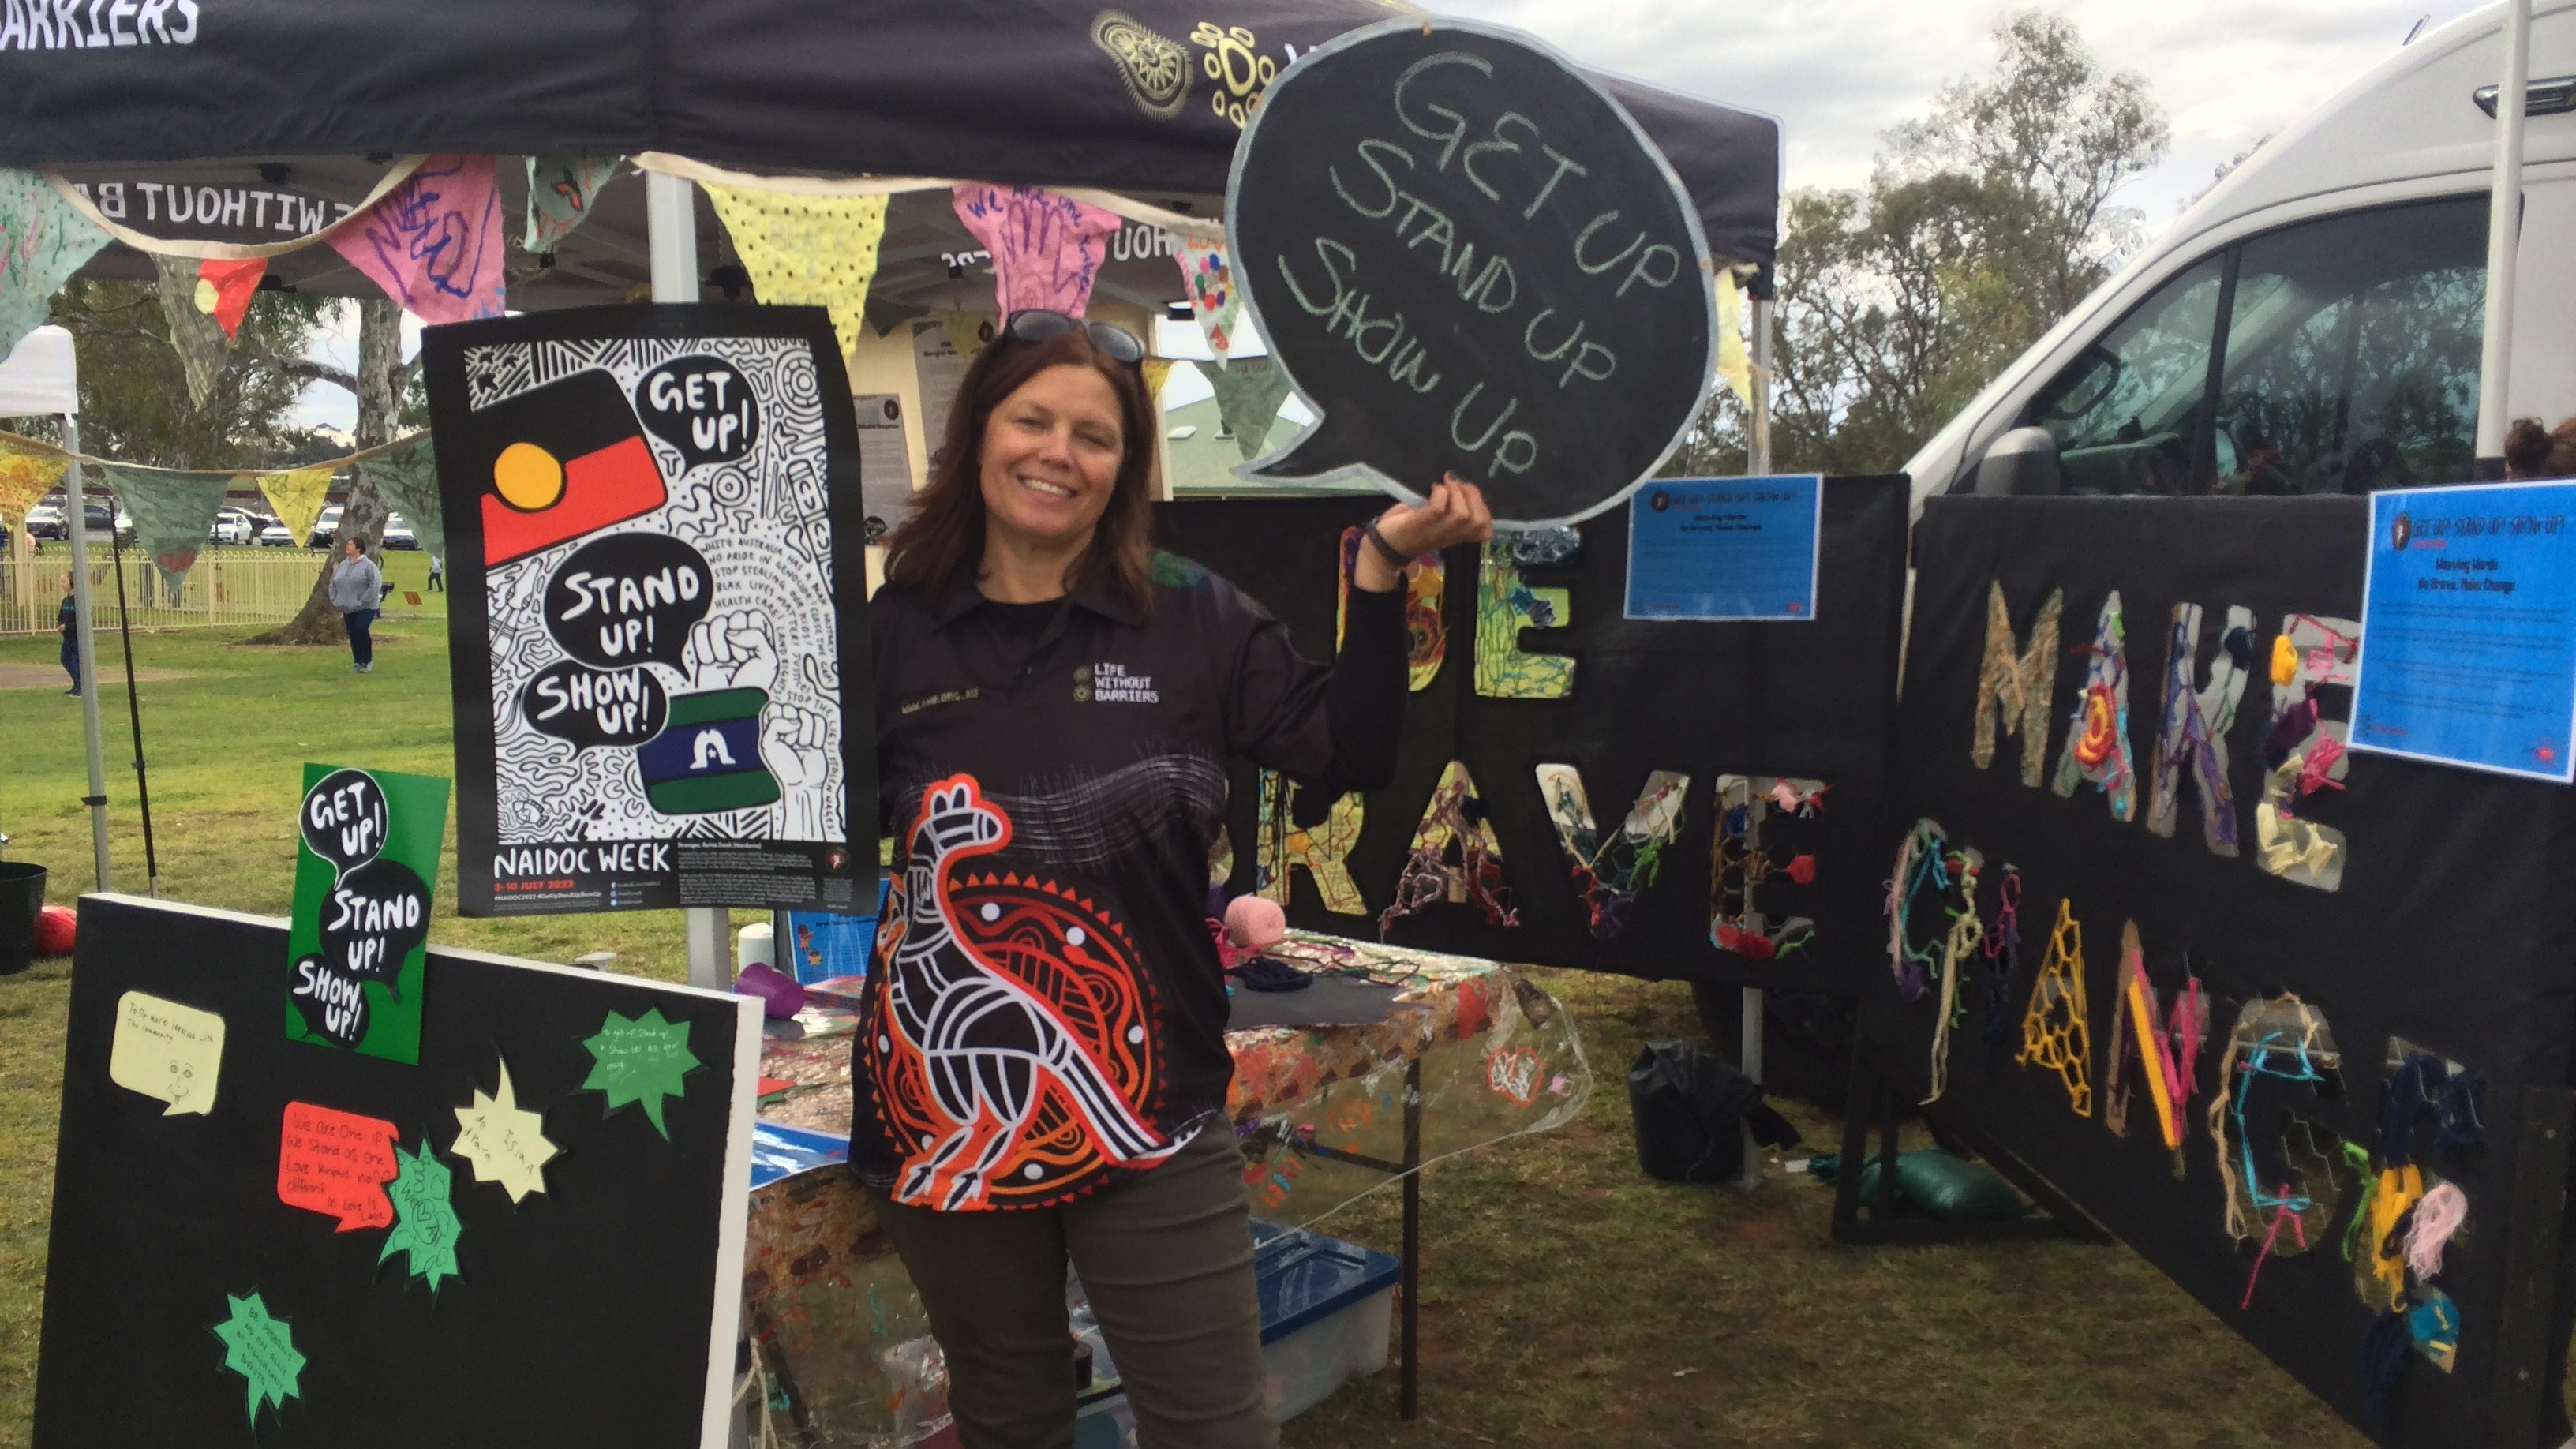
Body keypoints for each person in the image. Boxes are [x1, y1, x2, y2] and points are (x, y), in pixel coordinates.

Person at [861, 309, 1492, 1449]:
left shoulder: (1191, 614)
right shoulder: (899, 626)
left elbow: (1352, 750)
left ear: (1126, 466)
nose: (1060, 453)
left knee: (1212, 1427)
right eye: (1033, 421)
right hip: (950, 1103)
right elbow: (822, 824)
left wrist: (1384, 565)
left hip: (1150, 1103)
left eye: (1095, 436)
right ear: (980, 435)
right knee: (1009, 1416)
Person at [330, 535, 382, 674]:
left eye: (350, 545)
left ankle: (367, 661)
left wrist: (362, 600)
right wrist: (335, 599)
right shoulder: (343, 565)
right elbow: (333, 583)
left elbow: (375, 584)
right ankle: (358, 662)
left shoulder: (369, 566)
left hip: (366, 607)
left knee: (361, 629)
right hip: (347, 606)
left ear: (358, 548)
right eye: (347, 544)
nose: (347, 547)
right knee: (352, 633)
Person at [55, 571, 80, 697]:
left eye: (64, 581)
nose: (62, 584)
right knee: (65, 659)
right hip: (67, 638)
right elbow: (61, 615)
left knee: (76, 661)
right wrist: (60, 624)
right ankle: (76, 684)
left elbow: (81, 621)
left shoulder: (79, 601)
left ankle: (81, 687)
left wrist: (68, 627)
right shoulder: (66, 600)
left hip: (77, 638)